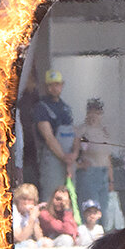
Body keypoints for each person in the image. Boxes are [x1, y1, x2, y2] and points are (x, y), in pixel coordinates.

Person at [34, 69, 79, 202]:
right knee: (51, 196)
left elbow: (75, 133)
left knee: (69, 197)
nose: (54, 88)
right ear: (46, 86)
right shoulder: (41, 107)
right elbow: (48, 137)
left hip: (69, 160)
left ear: (62, 85)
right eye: (51, 85)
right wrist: (64, 157)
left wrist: (74, 155)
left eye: (57, 84)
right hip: (52, 158)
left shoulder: (66, 108)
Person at [76, 98, 113, 224]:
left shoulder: (104, 131)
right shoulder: (82, 130)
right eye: (91, 112)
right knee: (90, 208)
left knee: (103, 209)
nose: (93, 116)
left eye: (97, 113)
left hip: (103, 174)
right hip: (89, 173)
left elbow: (108, 157)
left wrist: (111, 179)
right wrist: (80, 164)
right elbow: (74, 152)